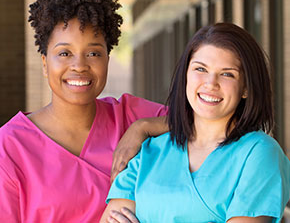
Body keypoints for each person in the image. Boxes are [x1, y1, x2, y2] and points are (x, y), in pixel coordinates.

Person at [0, 0, 168, 222]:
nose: (79, 66)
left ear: (107, 60)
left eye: (93, 53)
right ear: (45, 63)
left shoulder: (131, 116)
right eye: (65, 53)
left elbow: (209, 123)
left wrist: (142, 128)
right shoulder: (10, 148)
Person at [102, 23, 290, 223]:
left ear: (246, 88)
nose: (210, 83)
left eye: (227, 74)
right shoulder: (148, 153)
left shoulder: (258, 153)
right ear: (185, 75)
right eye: (200, 69)